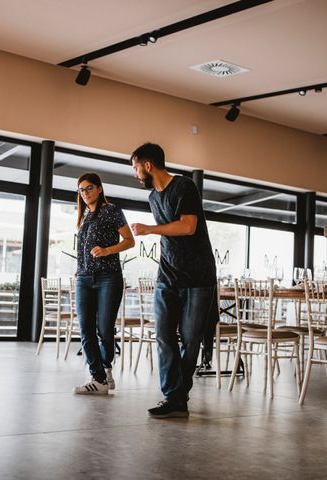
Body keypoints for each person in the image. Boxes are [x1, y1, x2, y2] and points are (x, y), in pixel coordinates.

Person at [130, 143, 218, 418]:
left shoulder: (184, 187)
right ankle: (173, 395)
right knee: (164, 335)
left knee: (191, 340)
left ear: (148, 166)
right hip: (168, 274)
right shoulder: (153, 199)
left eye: (135, 168)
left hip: (198, 276)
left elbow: (188, 226)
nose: (135, 174)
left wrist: (150, 229)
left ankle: (177, 397)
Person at [73, 172, 135, 394]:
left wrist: (107, 250)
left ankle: (106, 368)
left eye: (89, 188)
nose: (85, 193)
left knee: (105, 329)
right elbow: (82, 249)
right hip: (83, 279)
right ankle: (98, 377)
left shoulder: (112, 211)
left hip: (109, 277)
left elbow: (130, 241)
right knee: (85, 329)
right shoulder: (84, 217)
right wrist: (79, 269)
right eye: (81, 190)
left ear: (99, 189)